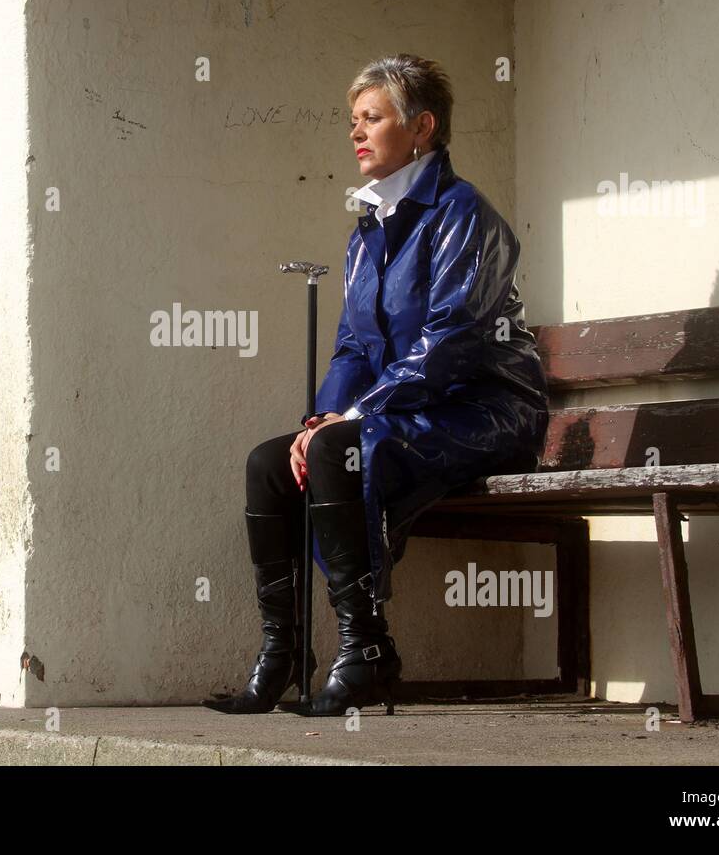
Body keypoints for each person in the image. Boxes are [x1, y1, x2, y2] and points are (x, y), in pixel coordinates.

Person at [202, 54, 551, 717]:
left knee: (344, 448)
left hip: (485, 413)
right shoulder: (366, 233)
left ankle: (364, 650)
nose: (355, 133)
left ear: (422, 127)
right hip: (406, 412)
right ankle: (284, 652)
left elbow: (450, 343)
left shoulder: (462, 213)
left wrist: (354, 421)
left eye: (372, 118)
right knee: (270, 464)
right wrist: (321, 422)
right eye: (352, 120)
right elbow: (353, 349)